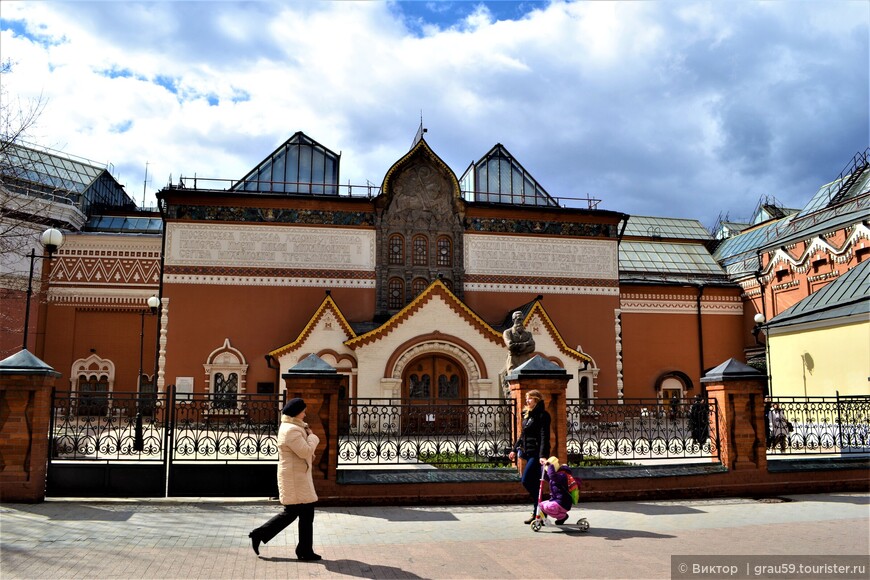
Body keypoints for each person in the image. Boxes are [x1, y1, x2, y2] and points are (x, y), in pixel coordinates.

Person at [248, 397, 322, 561]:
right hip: (295, 479)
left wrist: (308, 436)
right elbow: (305, 451)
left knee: (303, 513)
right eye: (303, 411)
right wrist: (313, 438)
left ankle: (304, 550)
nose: (305, 414)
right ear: (297, 413)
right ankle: (260, 534)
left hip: (297, 477)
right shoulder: (291, 430)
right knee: (292, 513)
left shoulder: (294, 427)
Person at [508, 389, 551, 524]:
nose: (527, 401)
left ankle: (542, 508)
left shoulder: (543, 415)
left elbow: (545, 436)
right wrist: (514, 449)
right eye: (526, 398)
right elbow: (523, 434)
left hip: (537, 454)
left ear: (537, 400)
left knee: (526, 480)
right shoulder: (528, 414)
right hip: (528, 452)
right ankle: (538, 512)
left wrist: (543, 455)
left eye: (530, 398)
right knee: (535, 483)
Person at [539, 456, 573, 525]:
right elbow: (546, 477)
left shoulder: (563, 475)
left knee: (547, 507)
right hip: (556, 500)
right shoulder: (556, 475)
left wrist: (549, 465)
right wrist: (543, 465)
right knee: (541, 505)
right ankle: (543, 519)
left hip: (563, 502)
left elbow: (552, 476)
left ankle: (562, 517)